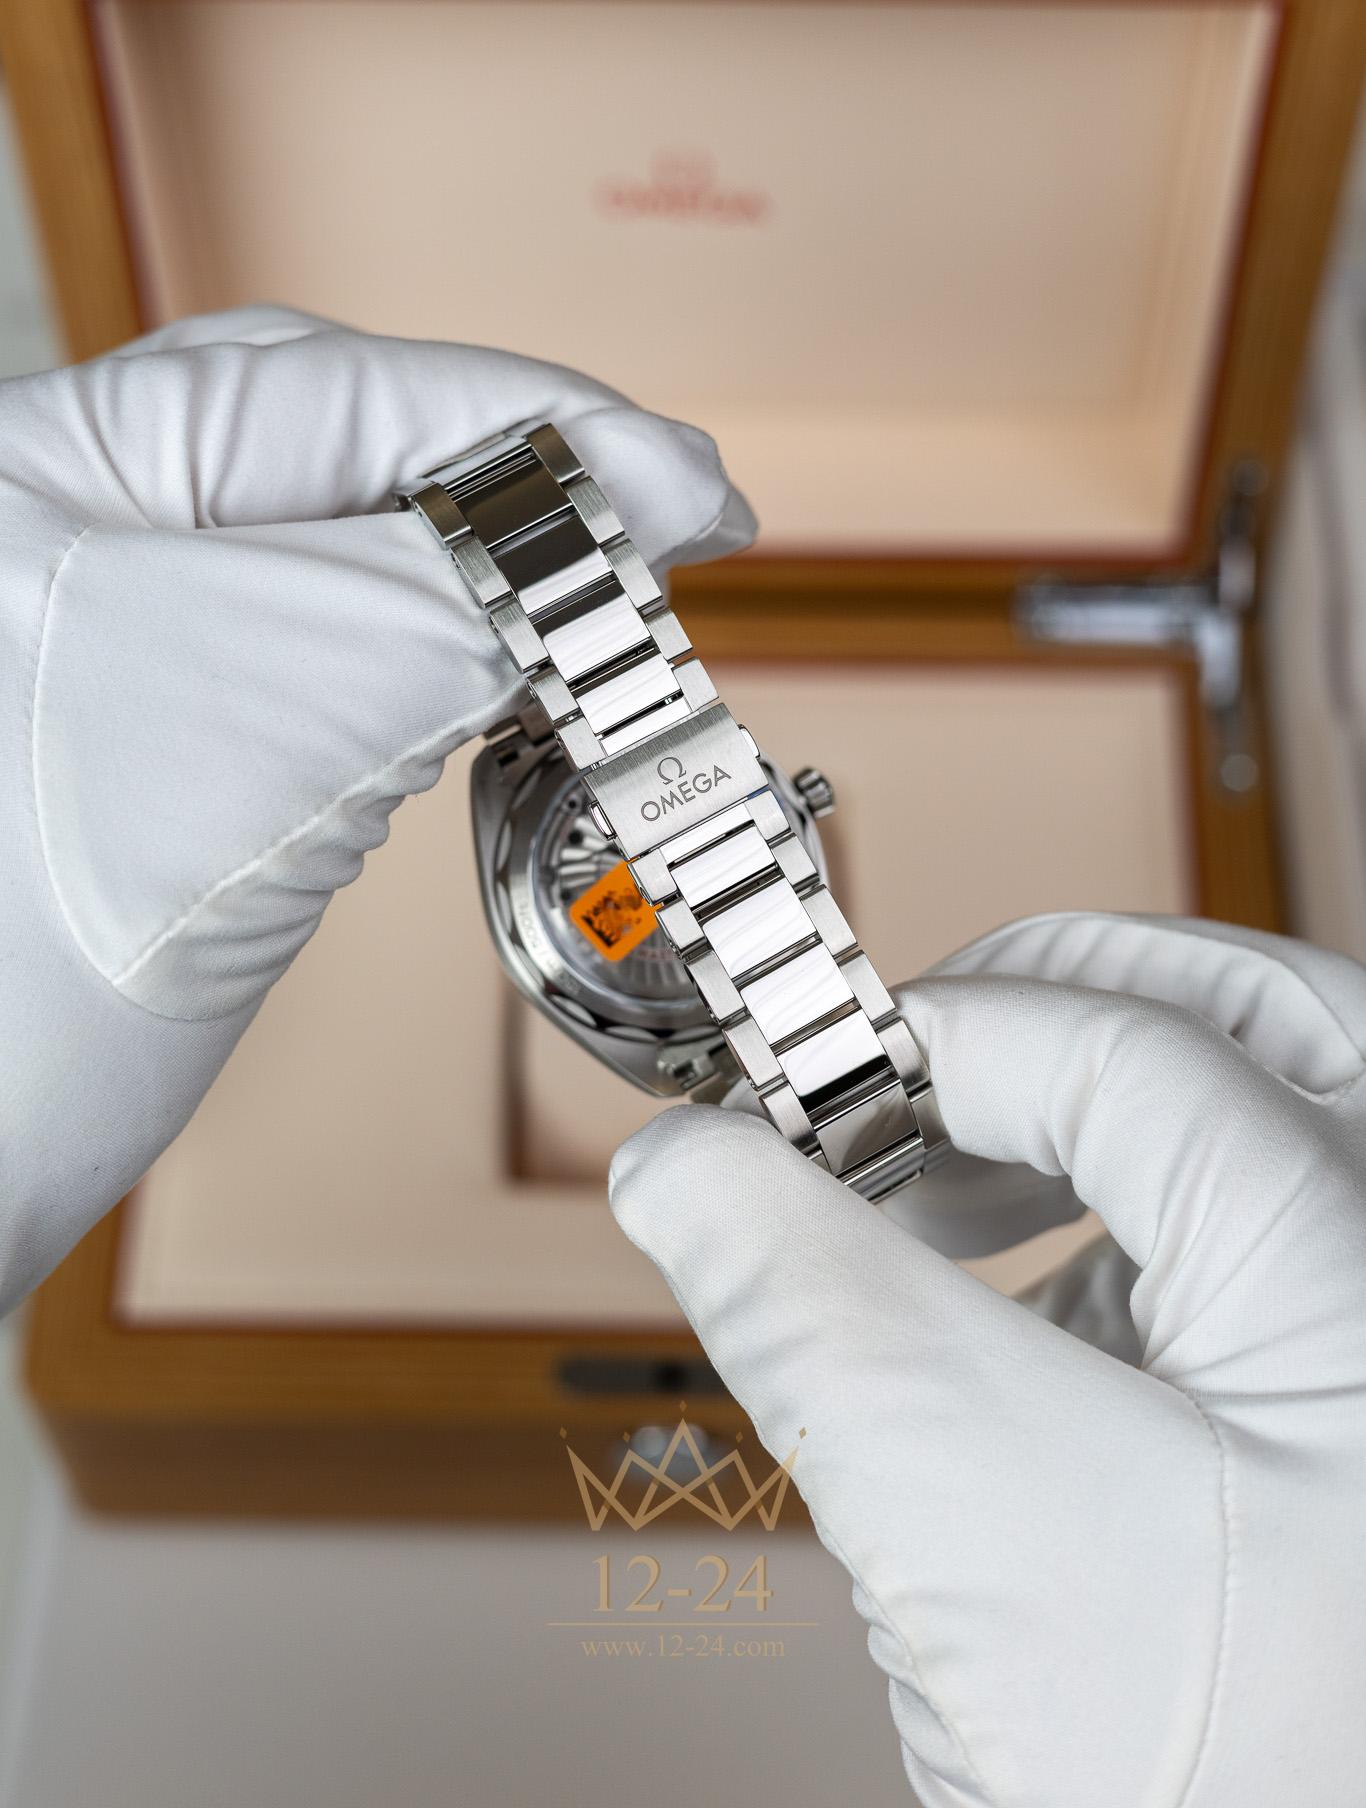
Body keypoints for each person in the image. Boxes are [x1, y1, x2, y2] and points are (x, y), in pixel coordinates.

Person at [4, 311, 1364, 1806]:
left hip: (718, 948)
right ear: (539, 943)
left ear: (784, 806)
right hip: (667, 948)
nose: (649, 885)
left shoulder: (588, 884)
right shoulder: (560, 887)